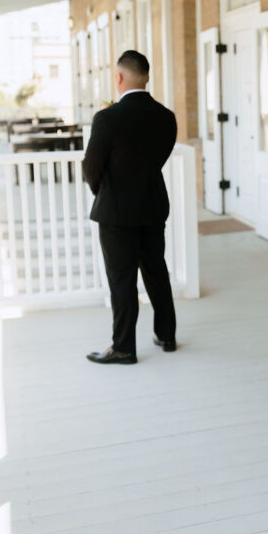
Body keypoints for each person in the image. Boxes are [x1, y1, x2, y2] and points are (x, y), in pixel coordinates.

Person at [82, 49, 178, 364]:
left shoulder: (107, 118)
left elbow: (91, 167)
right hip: (152, 206)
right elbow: (157, 160)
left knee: (122, 280)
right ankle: (166, 335)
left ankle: (123, 346)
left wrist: (104, 191)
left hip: (116, 213)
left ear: (119, 77)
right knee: (156, 271)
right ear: (146, 77)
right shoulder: (166, 117)